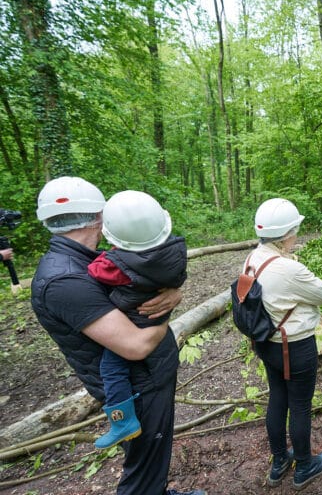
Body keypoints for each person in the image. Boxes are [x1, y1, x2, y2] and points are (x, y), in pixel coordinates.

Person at [30, 176, 204, 495]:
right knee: (142, 473)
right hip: (138, 387)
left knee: (151, 459)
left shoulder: (87, 260)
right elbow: (135, 346)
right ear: (99, 217)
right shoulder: (65, 279)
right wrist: (166, 308)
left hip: (144, 381)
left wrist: (173, 294)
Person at [87, 190, 187, 449]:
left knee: (111, 368)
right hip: (157, 317)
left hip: (135, 320)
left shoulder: (118, 265)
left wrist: (106, 255)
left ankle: (122, 421)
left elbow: (94, 270)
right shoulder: (174, 251)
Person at [246, 197, 322, 490]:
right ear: (286, 234)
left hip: (266, 344)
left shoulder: (252, 259)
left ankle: (279, 461)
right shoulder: (288, 268)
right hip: (294, 347)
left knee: (277, 399)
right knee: (299, 405)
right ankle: (305, 466)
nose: (296, 234)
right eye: (295, 229)